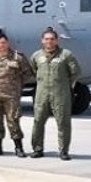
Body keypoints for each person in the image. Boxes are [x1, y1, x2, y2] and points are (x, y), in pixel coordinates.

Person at [30, 28, 82, 160]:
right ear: (42, 41)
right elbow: (34, 70)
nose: (49, 41)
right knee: (38, 121)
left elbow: (75, 72)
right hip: (42, 94)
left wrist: (64, 84)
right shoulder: (37, 56)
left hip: (60, 94)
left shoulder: (65, 55)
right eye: (47, 39)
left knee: (63, 123)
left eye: (52, 39)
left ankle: (63, 151)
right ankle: (37, 149)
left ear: (57, 40)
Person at [0, 33, 33, 157]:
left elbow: (27, 73)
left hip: (11, 95)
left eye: (3, 43)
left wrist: (17, 85)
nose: (1, 45)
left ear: (7, 43)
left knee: (13, 120)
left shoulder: (17, 57)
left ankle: (18, 148)